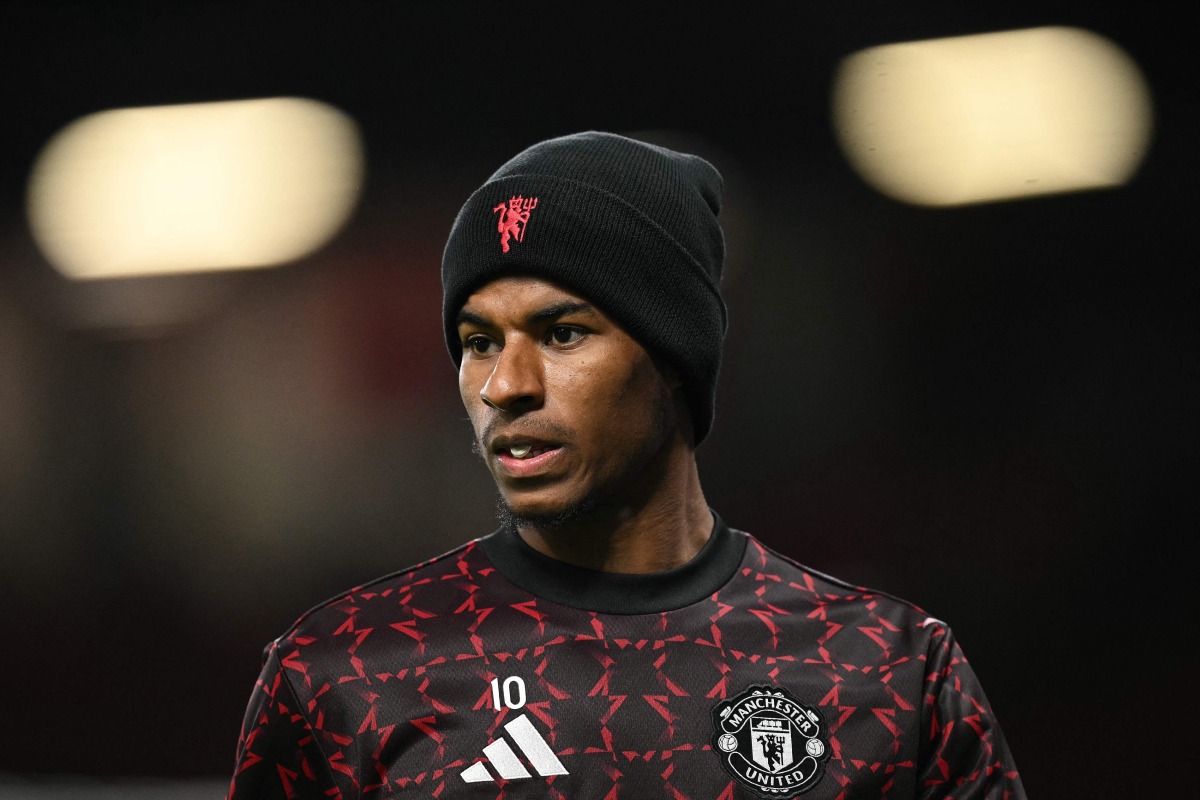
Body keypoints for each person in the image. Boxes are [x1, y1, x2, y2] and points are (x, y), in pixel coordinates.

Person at [225, 131, 1026, 799]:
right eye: (478, 343)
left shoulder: (885, 671)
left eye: (563, 332)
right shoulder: (347, 675)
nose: (506, 386)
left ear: (674, 356)